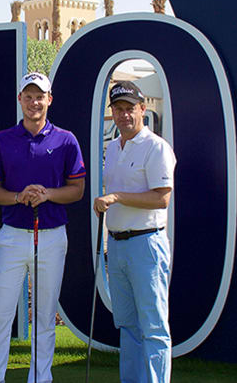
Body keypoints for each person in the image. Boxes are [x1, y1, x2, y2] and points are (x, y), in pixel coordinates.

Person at [0, 72, 86, 383]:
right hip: (12, 236)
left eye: (40, 96)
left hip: (52, 237)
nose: (34, 102)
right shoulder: (2, 139)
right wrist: (18, 197)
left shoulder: (66, 140)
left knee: (44, 316)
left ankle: (40, 379)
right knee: (0, 314)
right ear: (20, 100)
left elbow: (76, 189)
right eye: (28, 96)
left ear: (49, 100)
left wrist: (47, 194)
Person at [93, 80, 176, 383]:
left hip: (146, 243)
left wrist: (115, 198)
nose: (124, 115)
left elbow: (161, 197)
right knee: (127, 325)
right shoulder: (114, 147)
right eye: (118, 109)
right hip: (116, 245)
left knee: (153, 327)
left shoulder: (156, 147)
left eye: (130, 108)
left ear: (143, 109)